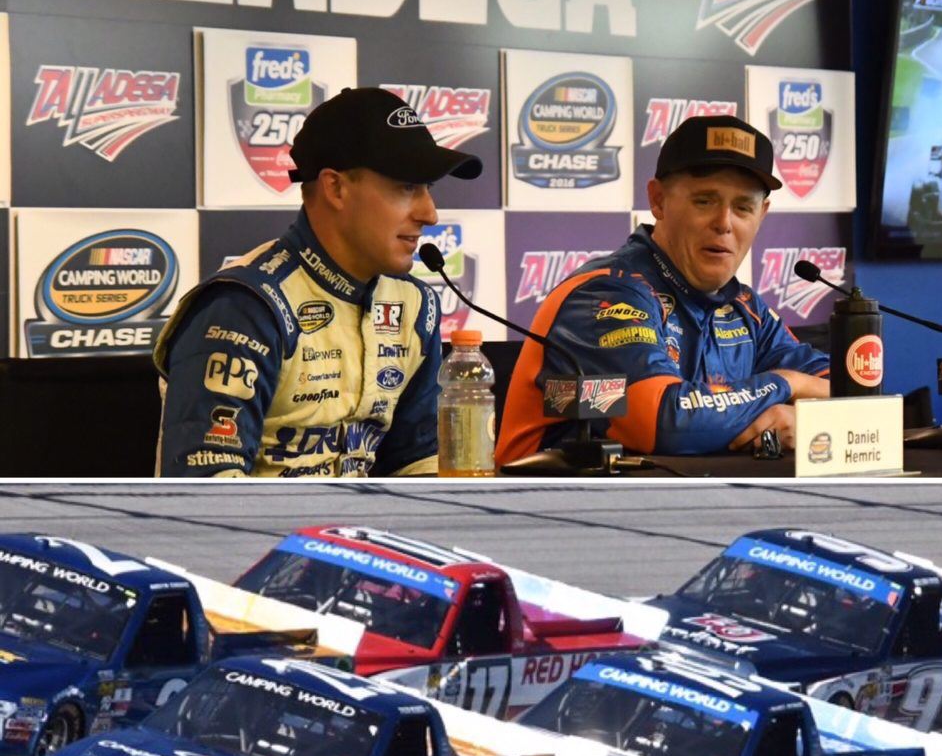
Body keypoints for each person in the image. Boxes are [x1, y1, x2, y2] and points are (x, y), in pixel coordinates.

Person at [154, 87, 481, 477]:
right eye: (406, 187)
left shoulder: (415, 306)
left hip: (356, 533)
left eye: (429, 189)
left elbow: (416, 461)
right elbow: (208, 492)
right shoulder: (247, 307)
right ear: (336, 188)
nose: (430, 214)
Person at [496, 114, 829, 463]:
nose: (724, 223)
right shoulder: (603, 295)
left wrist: (804, 418)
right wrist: (787, 384)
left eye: (743, 207)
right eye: (705, 201)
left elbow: (858, 399)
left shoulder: (746, 309)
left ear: (762, 215)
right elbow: (661, 421)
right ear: (658, 201)